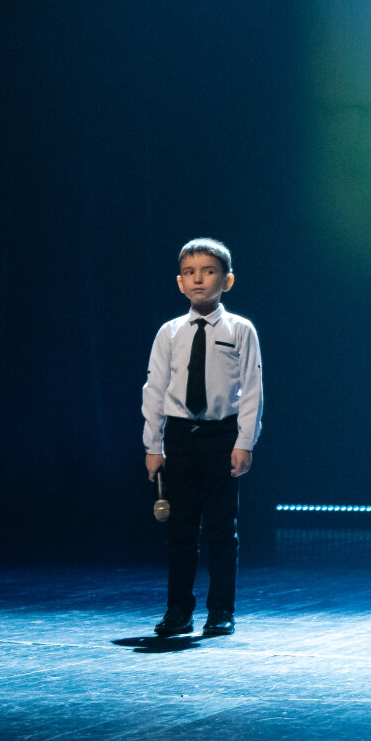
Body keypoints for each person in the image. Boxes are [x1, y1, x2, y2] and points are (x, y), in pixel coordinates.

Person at [140, 239, 263, 637]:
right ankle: (178, 611)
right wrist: (153, 445)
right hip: (179, 437)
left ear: (227, 280)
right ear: (179, 282)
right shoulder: (170, 332)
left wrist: (244, 441)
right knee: (181, 529)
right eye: (190, 273)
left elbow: (252, 389)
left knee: (221, 529)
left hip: (221, 436)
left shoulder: (240, 329)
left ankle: (221, 610)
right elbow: (155, 389)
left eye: (208, 272)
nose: (198, 279)